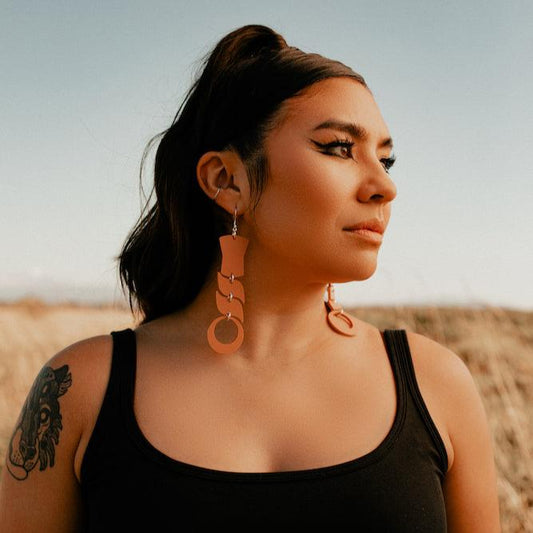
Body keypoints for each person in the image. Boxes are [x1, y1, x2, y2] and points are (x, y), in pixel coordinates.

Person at [0, 24, 501, 531]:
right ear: (226, 180)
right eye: (338, 148)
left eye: (386, 158)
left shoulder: (437, 386)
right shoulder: (77, 390)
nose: (384, 185)